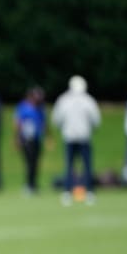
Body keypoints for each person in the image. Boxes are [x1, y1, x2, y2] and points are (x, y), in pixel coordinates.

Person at [52, 75, 101, 206]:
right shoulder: (88, 100)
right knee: (86, 165)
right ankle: (89, 191)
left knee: (70, 165)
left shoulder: (64, 100)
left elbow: (56, 119)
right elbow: (96, 119)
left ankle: (68, 192)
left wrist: (63, 128)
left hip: (69, 136)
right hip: (84, 136)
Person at [14, 86, 47, 195]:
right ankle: (28, 185)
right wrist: (17, 138)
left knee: (35, 163)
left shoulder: (40, 108)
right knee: (29, 163)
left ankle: (33, 184)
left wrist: (48, 137)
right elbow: (18, 123)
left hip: (37, 138)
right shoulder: (23, 107)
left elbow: (43, 123)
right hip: (26, 139)